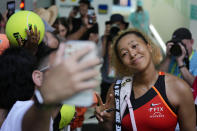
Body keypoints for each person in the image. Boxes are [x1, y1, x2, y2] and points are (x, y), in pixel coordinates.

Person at [94, 28, 196, 131]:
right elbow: (110, 129)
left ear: (149, 47)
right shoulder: (117, 90)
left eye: (134, 46)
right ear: (122, 64)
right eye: (124, 53)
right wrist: (104, 120)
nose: (132, 54)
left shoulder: (179, 88)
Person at [100, 14, 129, 103]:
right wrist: (105, 37)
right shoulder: (105, 39)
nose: (116, 27)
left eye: (118, 24)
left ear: (123, 26)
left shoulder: (127, 40)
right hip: (106, 81)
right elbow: (100, 57)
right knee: (105, 106)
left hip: (121, 82)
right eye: (114, 24)